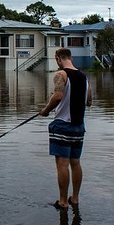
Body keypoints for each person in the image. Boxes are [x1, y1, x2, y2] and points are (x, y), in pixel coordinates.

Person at [39, 48, 92, 210]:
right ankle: (75, 199)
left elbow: (58, 96)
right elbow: (89, 101)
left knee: (62, 164)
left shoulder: (61, 75)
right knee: (75, 163)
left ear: (58, 59)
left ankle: (63, 201)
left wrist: (46, 110)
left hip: (62, 124)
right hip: (79, 127)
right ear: (70, 57)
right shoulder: (84, 78)